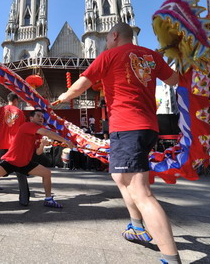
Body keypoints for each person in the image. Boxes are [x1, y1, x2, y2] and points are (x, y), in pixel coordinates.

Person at [57, 22, 181, 264]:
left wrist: (62, 98)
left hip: (127, 127)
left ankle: (171, 257)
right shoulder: (151, 55)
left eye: (106, 39)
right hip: (147, 127)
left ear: (114, 35)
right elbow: (175, 79)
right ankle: (136, 226)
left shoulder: (109, 55)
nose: (105, 42)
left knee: (141, 192)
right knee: (119, 177)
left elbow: (80, 86)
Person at [0, 109, 75, 221]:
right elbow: (48, 133)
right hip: (11, 161)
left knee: (47, 173)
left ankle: (48, 199)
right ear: (31, 118)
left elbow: (38, 153)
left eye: (42, 117)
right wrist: (66, 141)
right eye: (38, 116)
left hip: (25, 163)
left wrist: (42, 145)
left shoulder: (37, 134)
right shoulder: (28, 125)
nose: (41, 118)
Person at [0, 92, 30, 206]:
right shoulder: (20, 112)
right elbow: (23, 130)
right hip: (14, 146)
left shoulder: (1, 109)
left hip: (0, 144)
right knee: (20, 172)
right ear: (16, 100)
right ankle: (24, 199)